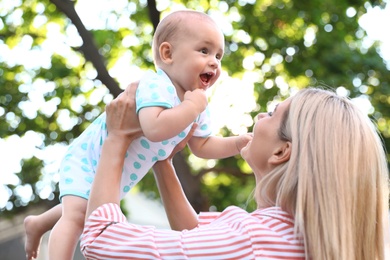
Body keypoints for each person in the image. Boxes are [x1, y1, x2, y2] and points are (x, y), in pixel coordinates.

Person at [24, 10, 252, 260]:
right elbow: (154, 129)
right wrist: (191, 107)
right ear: (168, 54)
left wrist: (237, 144)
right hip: (89, 158)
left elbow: (203, 146)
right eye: (204, 51)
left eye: (218, 56)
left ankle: (37, 224)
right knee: (77, 215)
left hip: (116, 172)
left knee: (83, 204)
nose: (214, 62)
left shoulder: (196, 101)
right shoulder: (156, 84)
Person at [81, 83, 389, 259]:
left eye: (271, 113)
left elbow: (100, 240)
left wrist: (117, 138)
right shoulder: (294, 238)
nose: (259, 115)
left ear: (282, 151)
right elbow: (196, 235)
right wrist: (162, 159)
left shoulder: (252, 239)